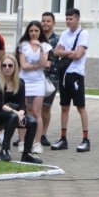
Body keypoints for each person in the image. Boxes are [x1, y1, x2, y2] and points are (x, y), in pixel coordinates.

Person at [0, 55, 43, 164]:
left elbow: (22, 104)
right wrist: (16, 112)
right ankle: (5, 149)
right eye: (4, 65)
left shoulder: (20, 82)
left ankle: (27, 153)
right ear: (1, 67)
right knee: (13, 116)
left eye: (10, 65)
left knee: (32, 122)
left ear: (15, 67)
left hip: (13, 115)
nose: (7, 68)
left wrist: (21, 112)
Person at [51, 8, 90, 152]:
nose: (68, 22)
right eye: (66, 19)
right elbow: (56, 52)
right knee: (64, 107)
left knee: (80, 107)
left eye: (71, 19)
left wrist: (65, 52)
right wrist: (69, 52)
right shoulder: (64, 34)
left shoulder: (83, 33)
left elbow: (79, 55)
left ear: (78, 19)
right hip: (64, 74)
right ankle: (63, 138)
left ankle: (86, 139)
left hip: (76, 74)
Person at [15, 21, 51, 155]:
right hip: (24, 81)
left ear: (40, 31)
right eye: (31, 31)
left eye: (36, 30)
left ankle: (37, 143)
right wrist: (39, 66)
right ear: (28, 32)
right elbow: (23, 65)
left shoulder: (46, 46)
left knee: (37, 112)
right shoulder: (22, 45)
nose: (34, 33)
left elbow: (44, 62)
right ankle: (22, 141)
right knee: (23, 111)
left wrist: (41, 48)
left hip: (38, 82)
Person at [40, 11, 60, 146]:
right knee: (31, 108)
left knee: (45, 108)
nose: (45, 23)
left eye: (48, 21)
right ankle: (27, 134)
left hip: (52, 78)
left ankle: (42, 135)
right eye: (43, 21)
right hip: (36, 77)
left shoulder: (58, 40)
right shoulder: (36, 38)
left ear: (54, 23)